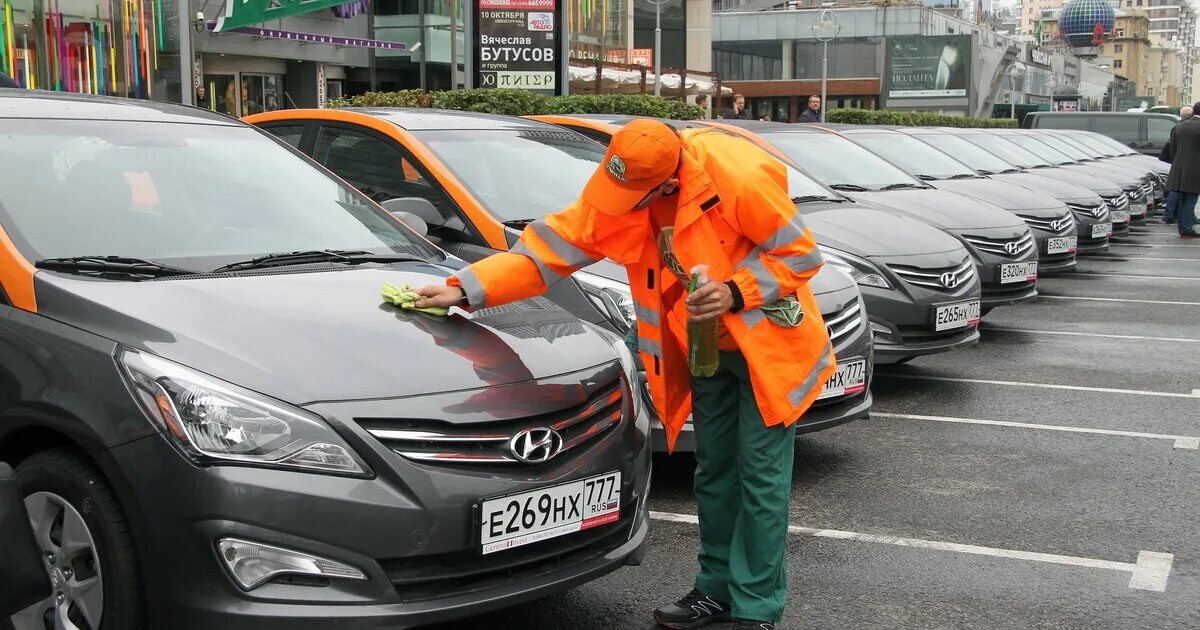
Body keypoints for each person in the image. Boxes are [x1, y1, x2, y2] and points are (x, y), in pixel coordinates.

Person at [414, 120, 835, 630]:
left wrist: (737, 291)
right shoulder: (623, 191)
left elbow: (801, 253)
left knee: (760, 478)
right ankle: (715, 592)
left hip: (766, 349)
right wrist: (465, 288)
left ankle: (755, 610)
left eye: (639, 195)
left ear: (668, 181)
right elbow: (550, 249)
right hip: (701, 347)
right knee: (715, 474)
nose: (626, 204)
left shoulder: (737, 179)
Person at [1161, 101, 1200, 238]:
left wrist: (1177, 162)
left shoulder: (1180, 125)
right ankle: (1187, 228)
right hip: (1195, 168)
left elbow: (1172, 148)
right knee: (1191, 199)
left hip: (1178, 167)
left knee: (1183, 198)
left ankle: (1182, 226)